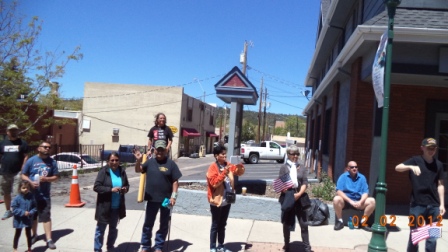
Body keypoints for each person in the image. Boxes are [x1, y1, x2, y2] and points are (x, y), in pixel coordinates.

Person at [395, 138, 446, 252]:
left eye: (433, 148)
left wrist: (442, 204)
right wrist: (410, 167)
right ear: (422, 148)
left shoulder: (439, 165)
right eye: (428, 148)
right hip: (417, 205)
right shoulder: (415, 160)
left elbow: (441, 185)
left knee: (432, 238)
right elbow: (397, 167)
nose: (431, 150)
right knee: (415, 236)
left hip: (434, 206)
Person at [134, 140, 182, 252]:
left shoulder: (171, 164)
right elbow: (138, 170)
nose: (159, 151)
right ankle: (145, 246)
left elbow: (175, 182)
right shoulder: (150, 162)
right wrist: (138, 161)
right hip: (151, 200)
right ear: (154, 150)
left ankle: (158, 246)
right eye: (157, 149)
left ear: (165, 150)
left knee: (164, 224)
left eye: (162, 149)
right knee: (148, 224)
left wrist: (174, 197)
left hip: (165, 200)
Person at [21, 141, 59, 250]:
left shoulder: (52, 162)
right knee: (33, 216)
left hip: (44, 195)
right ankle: (35, 235)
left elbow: (56, 177)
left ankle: (49, 239)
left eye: (49, 147)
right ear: (39, 148)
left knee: (46, 217)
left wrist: (46, 179)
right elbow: (23, 175)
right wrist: (30, 182)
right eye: (45, 147)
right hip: (31, 195)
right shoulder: (31, 160)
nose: (47, 149)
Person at [93, 152, 130, 252]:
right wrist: (110, 190)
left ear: (119, 161)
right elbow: (96, 187)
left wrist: (125, 189)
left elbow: (127, 185)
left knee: (113, 229)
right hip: (104, 207)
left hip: (116, 207)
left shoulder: (122, 171)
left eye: (116, 160)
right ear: (108, 161)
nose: (114, 162)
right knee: (100, 230)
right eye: (112, 160)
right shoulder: (103, 171)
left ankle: (110, 247)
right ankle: (97, 249)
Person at [278, 145, 312, 252]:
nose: (296, 156)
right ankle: (287, 245)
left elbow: (305, 182)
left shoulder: (302, 167)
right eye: (293, 154)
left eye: (297, 154)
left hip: (300, 198)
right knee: (287, 223)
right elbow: (281, 184)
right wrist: (290, 195)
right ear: (288, 155)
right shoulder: (284, 167)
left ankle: (307, 247)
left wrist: (299, 194)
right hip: (288, 197)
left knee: (304, 223)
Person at [206, 145, 235, 252]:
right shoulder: (213, 167)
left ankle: (221, 245)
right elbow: (214, 183)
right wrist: (224, 173)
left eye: (225, 153)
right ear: (216, 156)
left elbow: (236, 170)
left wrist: (239, 168)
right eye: (222, 154)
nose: (224, 155)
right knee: (215, 224)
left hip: (227, 200)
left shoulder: (228, 165)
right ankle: (213, 247)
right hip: (216, 200)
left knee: (223, 224)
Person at [333, 161, 375, 231]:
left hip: (359, 201)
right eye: (352, 167)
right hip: (346, 202)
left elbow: (365, 192)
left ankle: (363, 222)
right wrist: (350, 201)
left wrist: (361, 201)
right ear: (348, 168)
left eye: (356, 167)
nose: (354, 168)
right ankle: (340, 221)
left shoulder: (362, 178)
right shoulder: (343, 177)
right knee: (336, 199)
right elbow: (339, 191)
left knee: (372, 201)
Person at [0, 124, 29, 220]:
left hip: (17, 172)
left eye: (15, 130)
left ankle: (19, 210)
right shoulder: (2, 143)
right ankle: (8, 211)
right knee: (6, 192)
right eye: (11, 130)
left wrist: (23, 168)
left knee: (18, 192)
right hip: (4, 172)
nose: (14, 132)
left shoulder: (22, 143)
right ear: (7, 132)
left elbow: (26, 156)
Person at [11, 180, 37, 252]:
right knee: (17, 233)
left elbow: (35, 207)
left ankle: (29, 248)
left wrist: (31, 212)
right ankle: (15, 248)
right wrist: (22, 212)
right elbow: (14, 209)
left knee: (28, 234)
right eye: (23, 188)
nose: (26, 189)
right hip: (19, 220)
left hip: (28, 219)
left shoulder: (31, 197)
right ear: (19, 189)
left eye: (27, 188)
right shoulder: (17, 198)